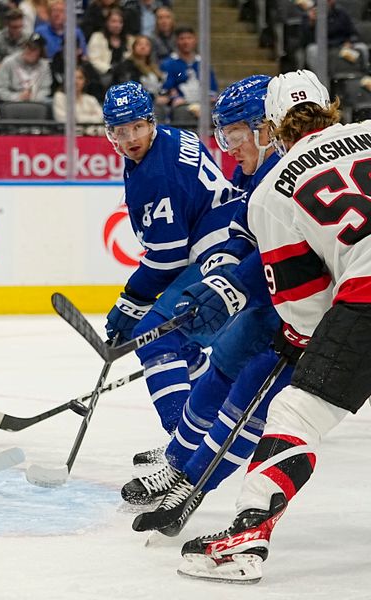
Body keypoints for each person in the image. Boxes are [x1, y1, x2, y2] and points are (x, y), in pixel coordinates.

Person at [175, 69, 367, 584]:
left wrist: (298, 340)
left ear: (273, 125)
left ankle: (244, 541)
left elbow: (306, 309)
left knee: (294, 411)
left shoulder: (272, 192)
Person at [125, 75, 292, 535]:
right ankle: (179, 464)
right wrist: (225, 272)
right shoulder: (256, 169)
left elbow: (291, 255)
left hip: (303, 310)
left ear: (265, 128)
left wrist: (235, 284)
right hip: (269, 296)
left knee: (246, 399)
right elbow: (243, 228)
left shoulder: (286, 173)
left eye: (236, 135)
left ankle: (194, 485)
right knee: (220, 367)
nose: (230, 146)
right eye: (226, 135)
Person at [101, 81, 237, 481]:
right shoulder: (173, 139)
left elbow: (168, 257)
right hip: (226, 240)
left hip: (222, 254)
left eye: (136, 128)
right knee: (181, 342)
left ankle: (184, 443)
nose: (129, 140)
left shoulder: (154, 176)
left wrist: (131, 302)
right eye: (119, 132)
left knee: (155, 336)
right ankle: (203, 426)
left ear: (151, 122)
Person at [157, 26, 218, 118]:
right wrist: (174, 98)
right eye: (182, 39)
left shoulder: (203, 63)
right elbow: (166, 88)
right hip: (181, 105)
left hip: (203, 104)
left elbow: (212, 88)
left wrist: (209, 99)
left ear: (195, 40)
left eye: (189, 38)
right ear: (176, 41)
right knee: (181, 112)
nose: (186, 42)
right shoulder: (168, 64)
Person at [0, 32, 52, 104]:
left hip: (37, 103)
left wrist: (33, 98)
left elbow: (45, 89)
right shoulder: (8, 62)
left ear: (41, 52)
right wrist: (17, 97)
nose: (29, 51)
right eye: (27, 47)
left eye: (33, 49)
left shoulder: (45, 66)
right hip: (11, 103)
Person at [87, 7, 133, 77]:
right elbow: (93, 60)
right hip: (104, 75)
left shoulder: (129, 40)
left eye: (120, 22)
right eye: (113, 21)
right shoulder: (97, 37)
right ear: (107, 23)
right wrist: (110, 69)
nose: (117, 25)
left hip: (125, 76)